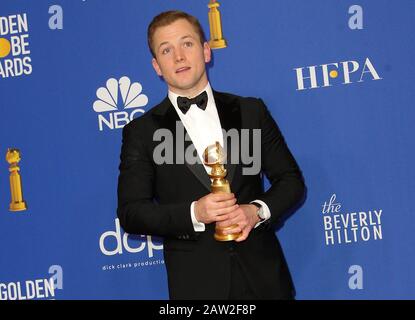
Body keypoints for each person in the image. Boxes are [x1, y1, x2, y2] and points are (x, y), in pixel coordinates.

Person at [117, 10, 305, 300]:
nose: (179, 57)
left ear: (206, 51)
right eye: (166, 50)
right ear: (157, 66)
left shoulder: (250, 111)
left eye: (187, 44)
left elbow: (291, 182)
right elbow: (132, 213)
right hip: (197, 286)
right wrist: (195, 213)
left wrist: (255, 211)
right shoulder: (142, 132)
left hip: (266, 281)